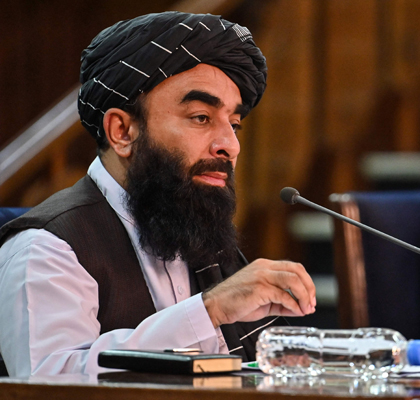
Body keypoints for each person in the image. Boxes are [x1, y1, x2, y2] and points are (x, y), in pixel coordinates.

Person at [0, 12, 316, 377]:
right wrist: (209, 310)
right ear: (122, 131)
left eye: (233, 124)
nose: (229, 145)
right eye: (201, 117)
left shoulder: (188, 226)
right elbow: (49, 380)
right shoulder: (46, 248)